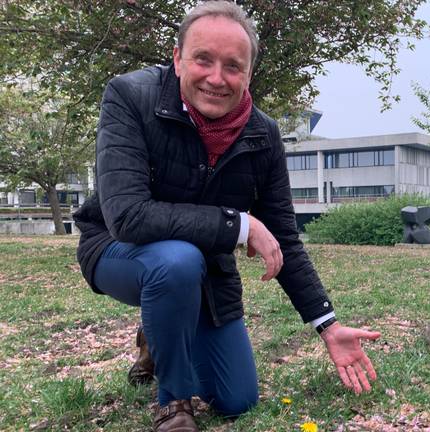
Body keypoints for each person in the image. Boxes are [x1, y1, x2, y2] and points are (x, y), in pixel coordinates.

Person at [73, 2, 380, 431]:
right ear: (178, 57)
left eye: (233, 66)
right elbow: (128, 216)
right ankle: (173, 404)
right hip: (118, 250)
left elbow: (285, 239)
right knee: (177, 261)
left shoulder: (263, 134)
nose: (217, 78)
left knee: (236, 399)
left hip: (205, 270)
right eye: (203, 59)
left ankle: (157, 341)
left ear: (249, 73)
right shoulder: (129, 96)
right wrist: (241, 224)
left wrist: (327, 325)